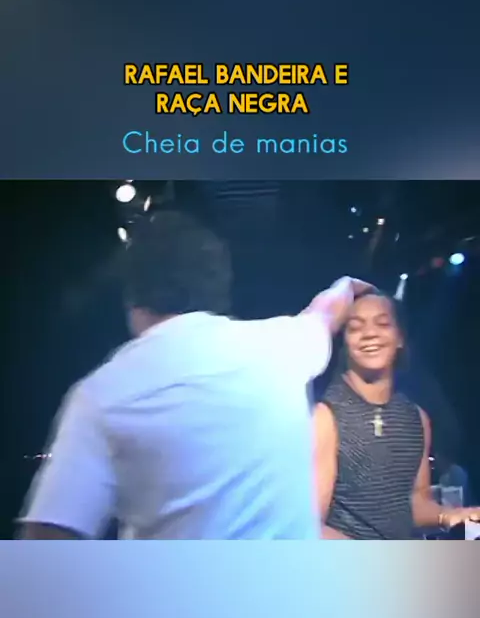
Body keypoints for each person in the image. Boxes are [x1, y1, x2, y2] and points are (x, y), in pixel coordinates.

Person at [18, 208, 368, 540]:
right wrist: (348, 287)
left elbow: (48, 537)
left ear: (131, 296)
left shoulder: (101, 396)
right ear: (218, 286)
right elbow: (326, 312)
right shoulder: (282, 345)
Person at [313, 289, 480, 539]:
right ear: (345, 342)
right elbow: (310, 524)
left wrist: (452, 515)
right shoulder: (326, 416)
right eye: (356, 327)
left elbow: (414, 504)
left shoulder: (416, 418)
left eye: (382, 324)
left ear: (400, 337)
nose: (369, 334)